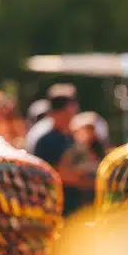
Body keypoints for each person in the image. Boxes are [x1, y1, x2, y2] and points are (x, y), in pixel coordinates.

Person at [30, 84, 92, 216]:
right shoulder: (48, 140)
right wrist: (92, 183)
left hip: (72, 207)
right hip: (55, 210)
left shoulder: (70, 137)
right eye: (72, 107)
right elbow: (58, 175)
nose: (75, 112)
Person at [62, 112, 108, 211]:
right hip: (76, 200)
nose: (87, 134)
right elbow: (67, 173)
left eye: (90, 129)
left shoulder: (103, 151)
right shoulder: (71, 152)